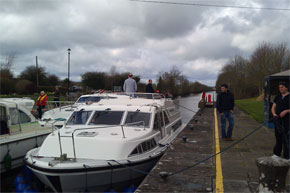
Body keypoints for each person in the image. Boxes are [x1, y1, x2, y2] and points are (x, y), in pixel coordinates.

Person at [271, 82, 290, 160]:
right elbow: (273, 107)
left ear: (286, 88)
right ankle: (277, 153)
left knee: (286, 137)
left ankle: (287, 155)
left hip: (287, 120)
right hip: (278, 120)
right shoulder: (277, 97)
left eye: (282, 87)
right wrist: (274, 113)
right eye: (279, 87)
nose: (280, 89)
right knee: (278, 136)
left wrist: (286, 111)